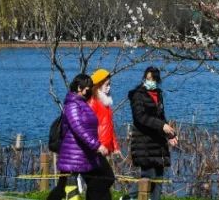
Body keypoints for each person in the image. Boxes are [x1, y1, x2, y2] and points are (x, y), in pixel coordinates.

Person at [58, 73, 109, 200]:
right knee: (71, 191)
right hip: (73, 154)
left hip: (85, 153)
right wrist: (96, 145)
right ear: (79, 88)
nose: (89, 92)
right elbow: (78, 128)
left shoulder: (82, 103)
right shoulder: (72, 105)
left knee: (101, 181)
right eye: (87, 89)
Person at [128, 66, 177, 200]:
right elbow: (140, 117)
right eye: (148, 78)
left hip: (158, 143)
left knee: (159, 179)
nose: (151, 81)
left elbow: (162, 117)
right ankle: (128, 197)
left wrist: (171, 135)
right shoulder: (137, 95)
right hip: (143, 142)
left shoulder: (158, 94)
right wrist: (162, 126)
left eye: (154, 79)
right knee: (148, 176)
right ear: (144, 78)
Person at [86, 69, 120, 200]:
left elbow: (109, 127)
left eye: (110, 84)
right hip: (95, 148)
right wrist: (97, 145)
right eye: (107, 84)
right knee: (107, 178)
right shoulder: (92, 103)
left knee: (97, 182)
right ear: (98, 85)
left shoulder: (105, 103)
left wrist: (115, 146)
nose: (109, 87)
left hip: (103, 147)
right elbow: (88, 128)